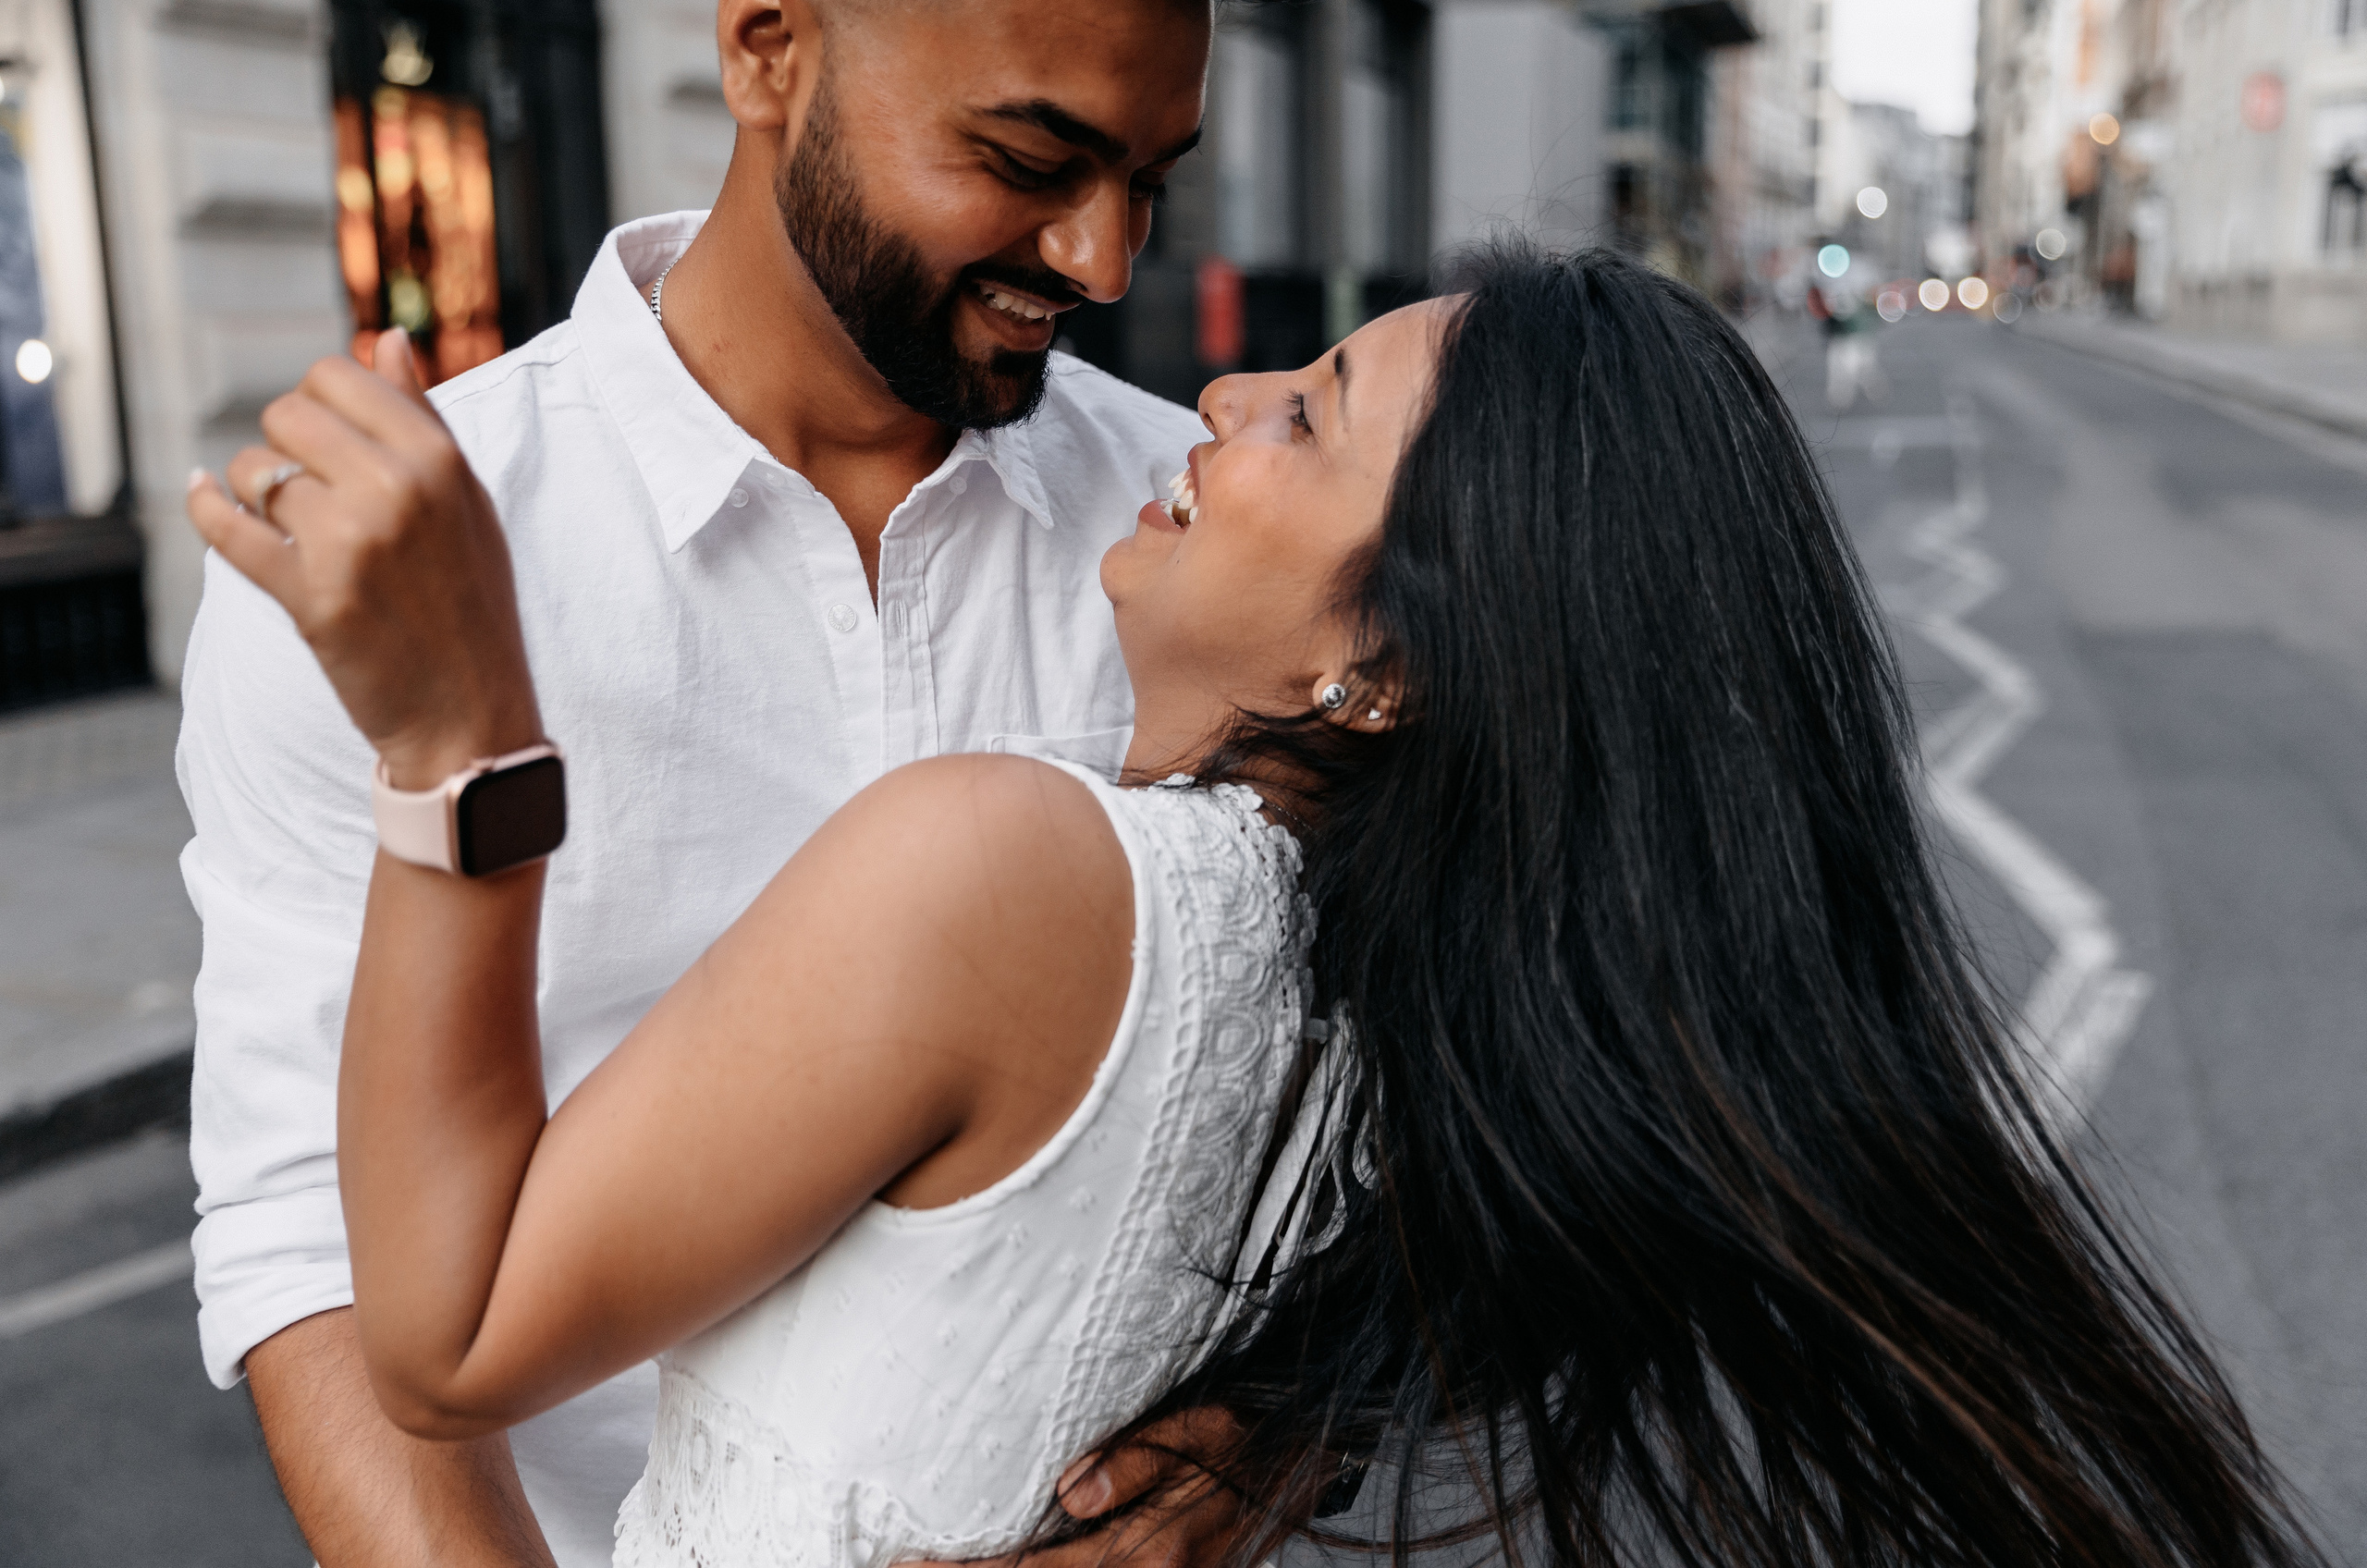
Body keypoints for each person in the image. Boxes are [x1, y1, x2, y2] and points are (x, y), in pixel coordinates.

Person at [190, 243, 2324, 1568]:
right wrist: (1291, 1398)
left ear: (1383, 664)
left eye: (1305, 412)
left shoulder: (999, 865)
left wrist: (458, 735)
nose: (1202, 381)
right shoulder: (1399, 968)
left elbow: (447, 1335)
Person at [175, 0, 1282, 1561]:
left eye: (1150, 180)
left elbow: (1399, 1067)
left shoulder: (1205, 531)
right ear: (769, 49)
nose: (1102, 261)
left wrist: (1276, 1429)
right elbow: (315, 1244)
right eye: (1030, 160)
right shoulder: (406, 571)